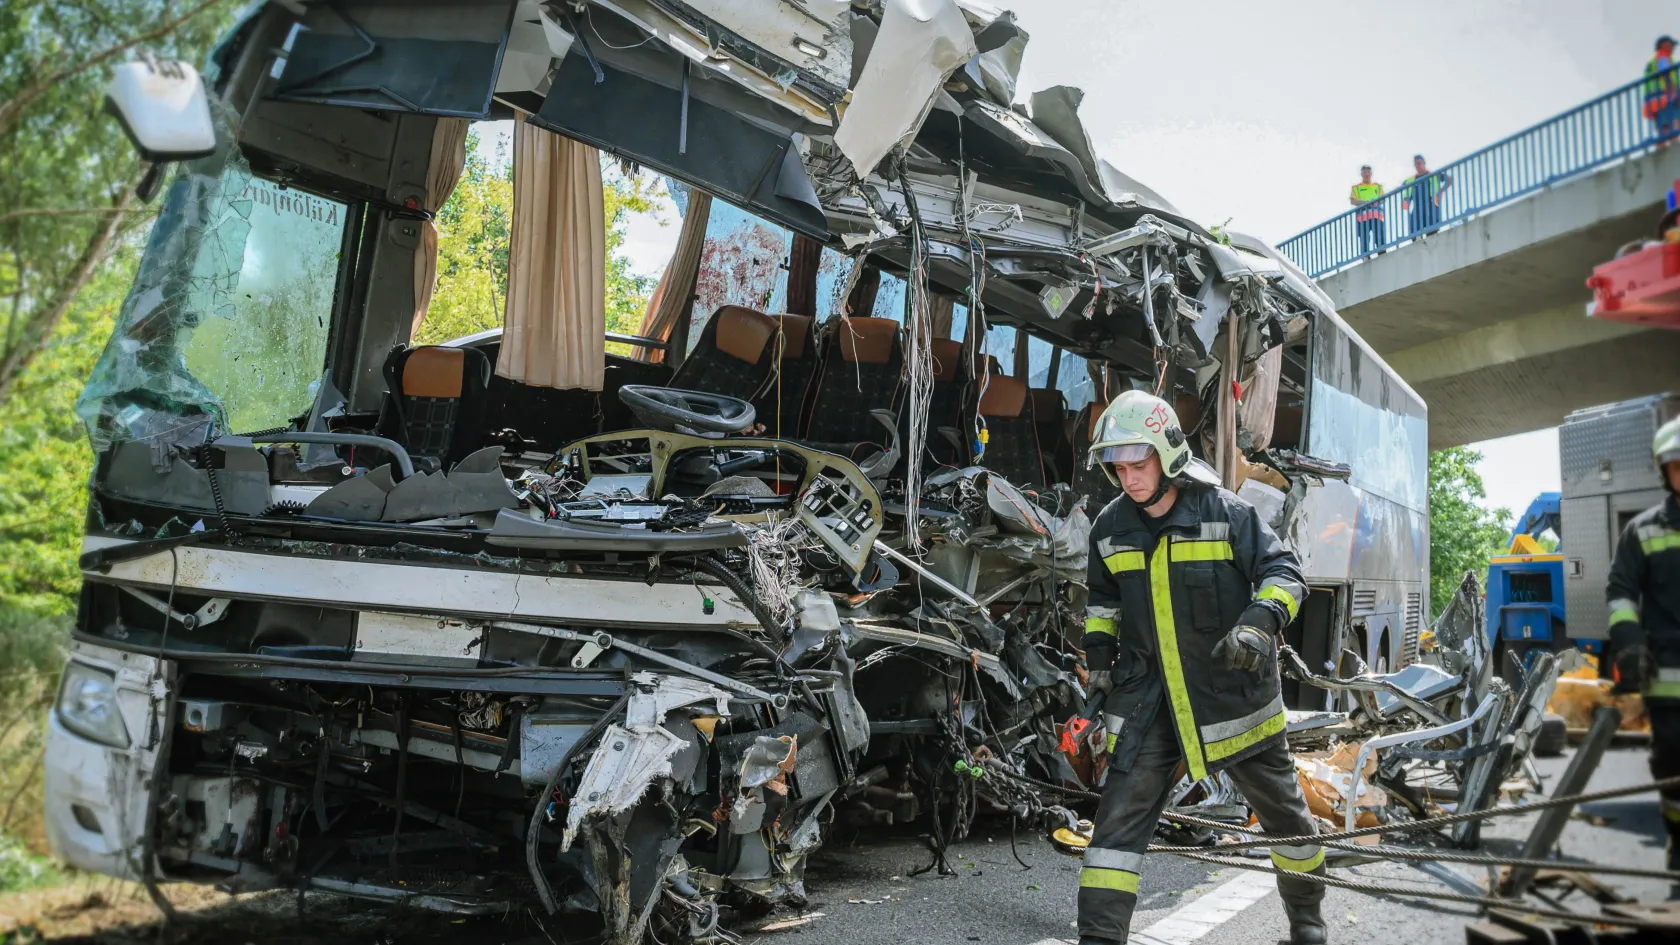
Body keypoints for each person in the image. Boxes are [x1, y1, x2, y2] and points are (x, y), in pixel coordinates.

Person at [1076, 391, 1325, 945]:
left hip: (1232, 702)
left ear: (1167, 457)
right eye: (1117, 468)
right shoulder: (1109, 528)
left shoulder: (1229, 514)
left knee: (1285, 818)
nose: (1128, 478)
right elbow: (1101, 604)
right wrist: (1098, 666)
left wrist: (1259, 623)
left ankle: (1308, 924)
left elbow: (1285, 572)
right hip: (1148, 705)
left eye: (1137, 465)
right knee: (1113, 836)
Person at [1607, 415, 1680, 869]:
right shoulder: (1645, 530)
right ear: (1664, 471)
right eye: (1678, 465)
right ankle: (1678, 837)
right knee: (1672, 761)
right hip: (1668, 676)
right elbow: (1620, 592)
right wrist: (1631, 646)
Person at [1402, 154, 1451, 236]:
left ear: (1424, 163)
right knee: (1414, 235)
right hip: (1417, 209)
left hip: (1431, 206)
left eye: (1419, 163)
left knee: (1432, 233)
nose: (1418, 165)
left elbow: (1449, 179)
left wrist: (1441, 191)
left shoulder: (1433, 175)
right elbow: (1406, 194)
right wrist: (1406, 202)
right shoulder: (1411, 180)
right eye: (1416, 164)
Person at [1646, 36, 1680, 141]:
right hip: (1666, 98)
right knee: (1674, 122)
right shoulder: (1663, 58)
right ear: (1663, 45)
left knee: (1663, 127)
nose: (1673, 47)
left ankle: (1661, 149)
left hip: (1655, 100)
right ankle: (1675, 145)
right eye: (1671, 44)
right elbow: (1666, 75)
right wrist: (1674, 92)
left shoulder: (1653, 62)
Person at [1349, 165, 1385, 255]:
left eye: (1368, 172)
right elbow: (1353, 201)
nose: (1366, 174)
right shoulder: (1356, 188)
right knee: (1364, 239)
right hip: (1363, 218)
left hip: (1376, 216)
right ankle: (1365, 257)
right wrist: (1366, 203)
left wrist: (1376, 202)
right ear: (1361, 174)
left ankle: (1382, 253)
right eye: (1364, 172)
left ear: (1371, 173)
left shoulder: (1377, 186)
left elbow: (1382, 199)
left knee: (1379, 236)